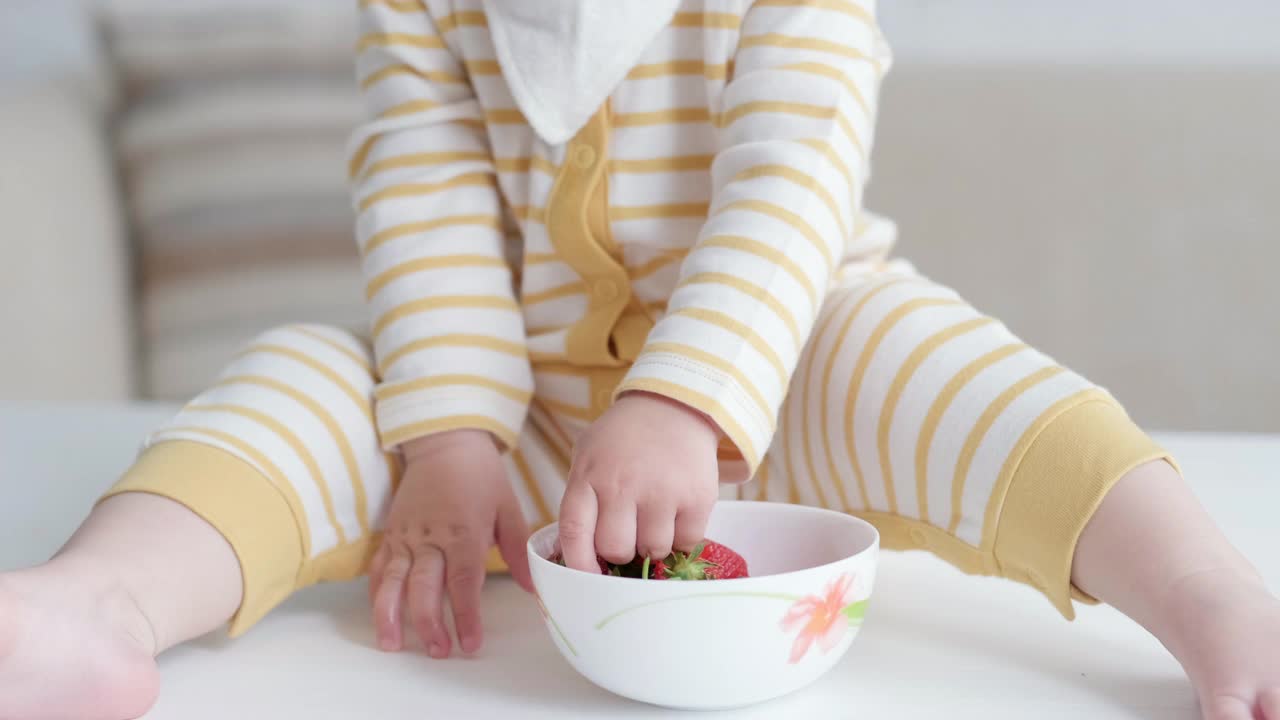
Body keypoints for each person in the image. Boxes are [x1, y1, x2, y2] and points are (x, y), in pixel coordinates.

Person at [2, 2, 1276, 719]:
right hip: (513, 403)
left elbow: (793, 174)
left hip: (780, 370)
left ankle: (1204, 589)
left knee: (938, 367)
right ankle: (100, 601)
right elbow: (424, 200)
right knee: (306, 373)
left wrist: (682, 398)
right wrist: (448, 442)